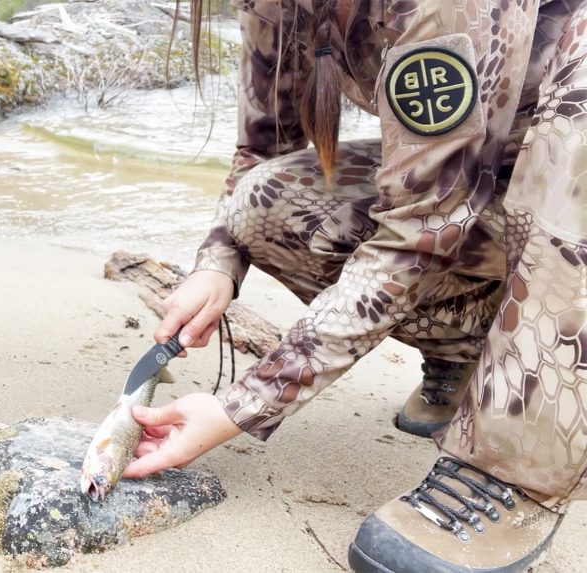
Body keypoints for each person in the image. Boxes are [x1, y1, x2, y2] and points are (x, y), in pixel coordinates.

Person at [123, 1, 586, 572]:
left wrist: (241, 405)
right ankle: (468, 350)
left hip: (567, 177)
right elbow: (266, 147)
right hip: (492, 178)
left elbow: (422, 229)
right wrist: (217, 263)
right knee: (266, 202)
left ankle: (516, 466)